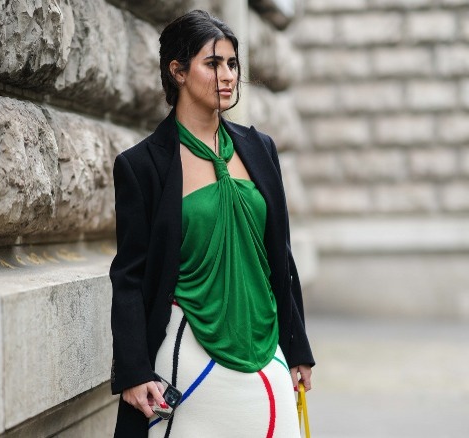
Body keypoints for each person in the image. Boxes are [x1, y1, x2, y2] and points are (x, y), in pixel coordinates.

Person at [109, 9, 315, 438]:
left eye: (233, 64)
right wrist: (133, 372)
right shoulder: (141, 166)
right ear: (178, 71)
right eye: (213, 63)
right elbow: (129, 276)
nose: (228, 76)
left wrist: (298, 348)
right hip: (188, 353)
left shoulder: (261, 149)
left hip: (265, 349)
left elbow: (282, 257)